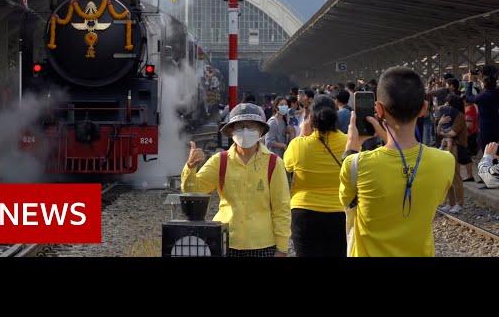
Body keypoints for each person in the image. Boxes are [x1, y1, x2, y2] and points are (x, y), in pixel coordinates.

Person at [339, 67, 455, 257]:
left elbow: (347, 201)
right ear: (424, 108)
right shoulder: (445, 161)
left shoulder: (357, 165)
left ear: (378, 110)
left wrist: (353, 146)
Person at [182, 103, 291, 257]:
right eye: (239, 127)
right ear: (231, 131)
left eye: (251, 126)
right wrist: (190, 168)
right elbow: (193, 192)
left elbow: (282, 207)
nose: (245, 131)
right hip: (226, 241)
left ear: (261, 131)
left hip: (263, 244)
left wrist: (282, 247)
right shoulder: (220, 160)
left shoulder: (273, 163)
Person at [285, 95, 348, 257]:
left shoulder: (298, 145)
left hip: (303, 212)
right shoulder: (349, 143)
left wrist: (302, 134)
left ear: (310, 118)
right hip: (339, 212)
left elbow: (287, 165)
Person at [436, 94, 467, 214]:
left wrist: (444, 132)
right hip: (446, 146)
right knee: (447, 176)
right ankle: (451, 203)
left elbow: (453, 133)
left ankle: (459, 203)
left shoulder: (459, 116)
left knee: (455, 175)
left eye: (448, 103)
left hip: (456, 147)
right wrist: (440, 123)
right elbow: (439, 132)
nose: (446, 105)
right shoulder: (446, 115)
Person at [463, 71, 499, 164]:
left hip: (485, 128)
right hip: (496, 125)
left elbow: (468, 97)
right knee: (496, 150)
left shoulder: (482, 97)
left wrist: (470, 82)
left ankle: (489, 174)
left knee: (487, 152)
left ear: (485, 84)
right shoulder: (496, 93)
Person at [464, 95, 479, 180]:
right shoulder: (473, 107)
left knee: (470, 157)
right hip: (474, 133)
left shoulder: (469, 109)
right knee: (472, 156)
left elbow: (469, 126)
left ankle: (470, 175)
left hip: (470, 135)